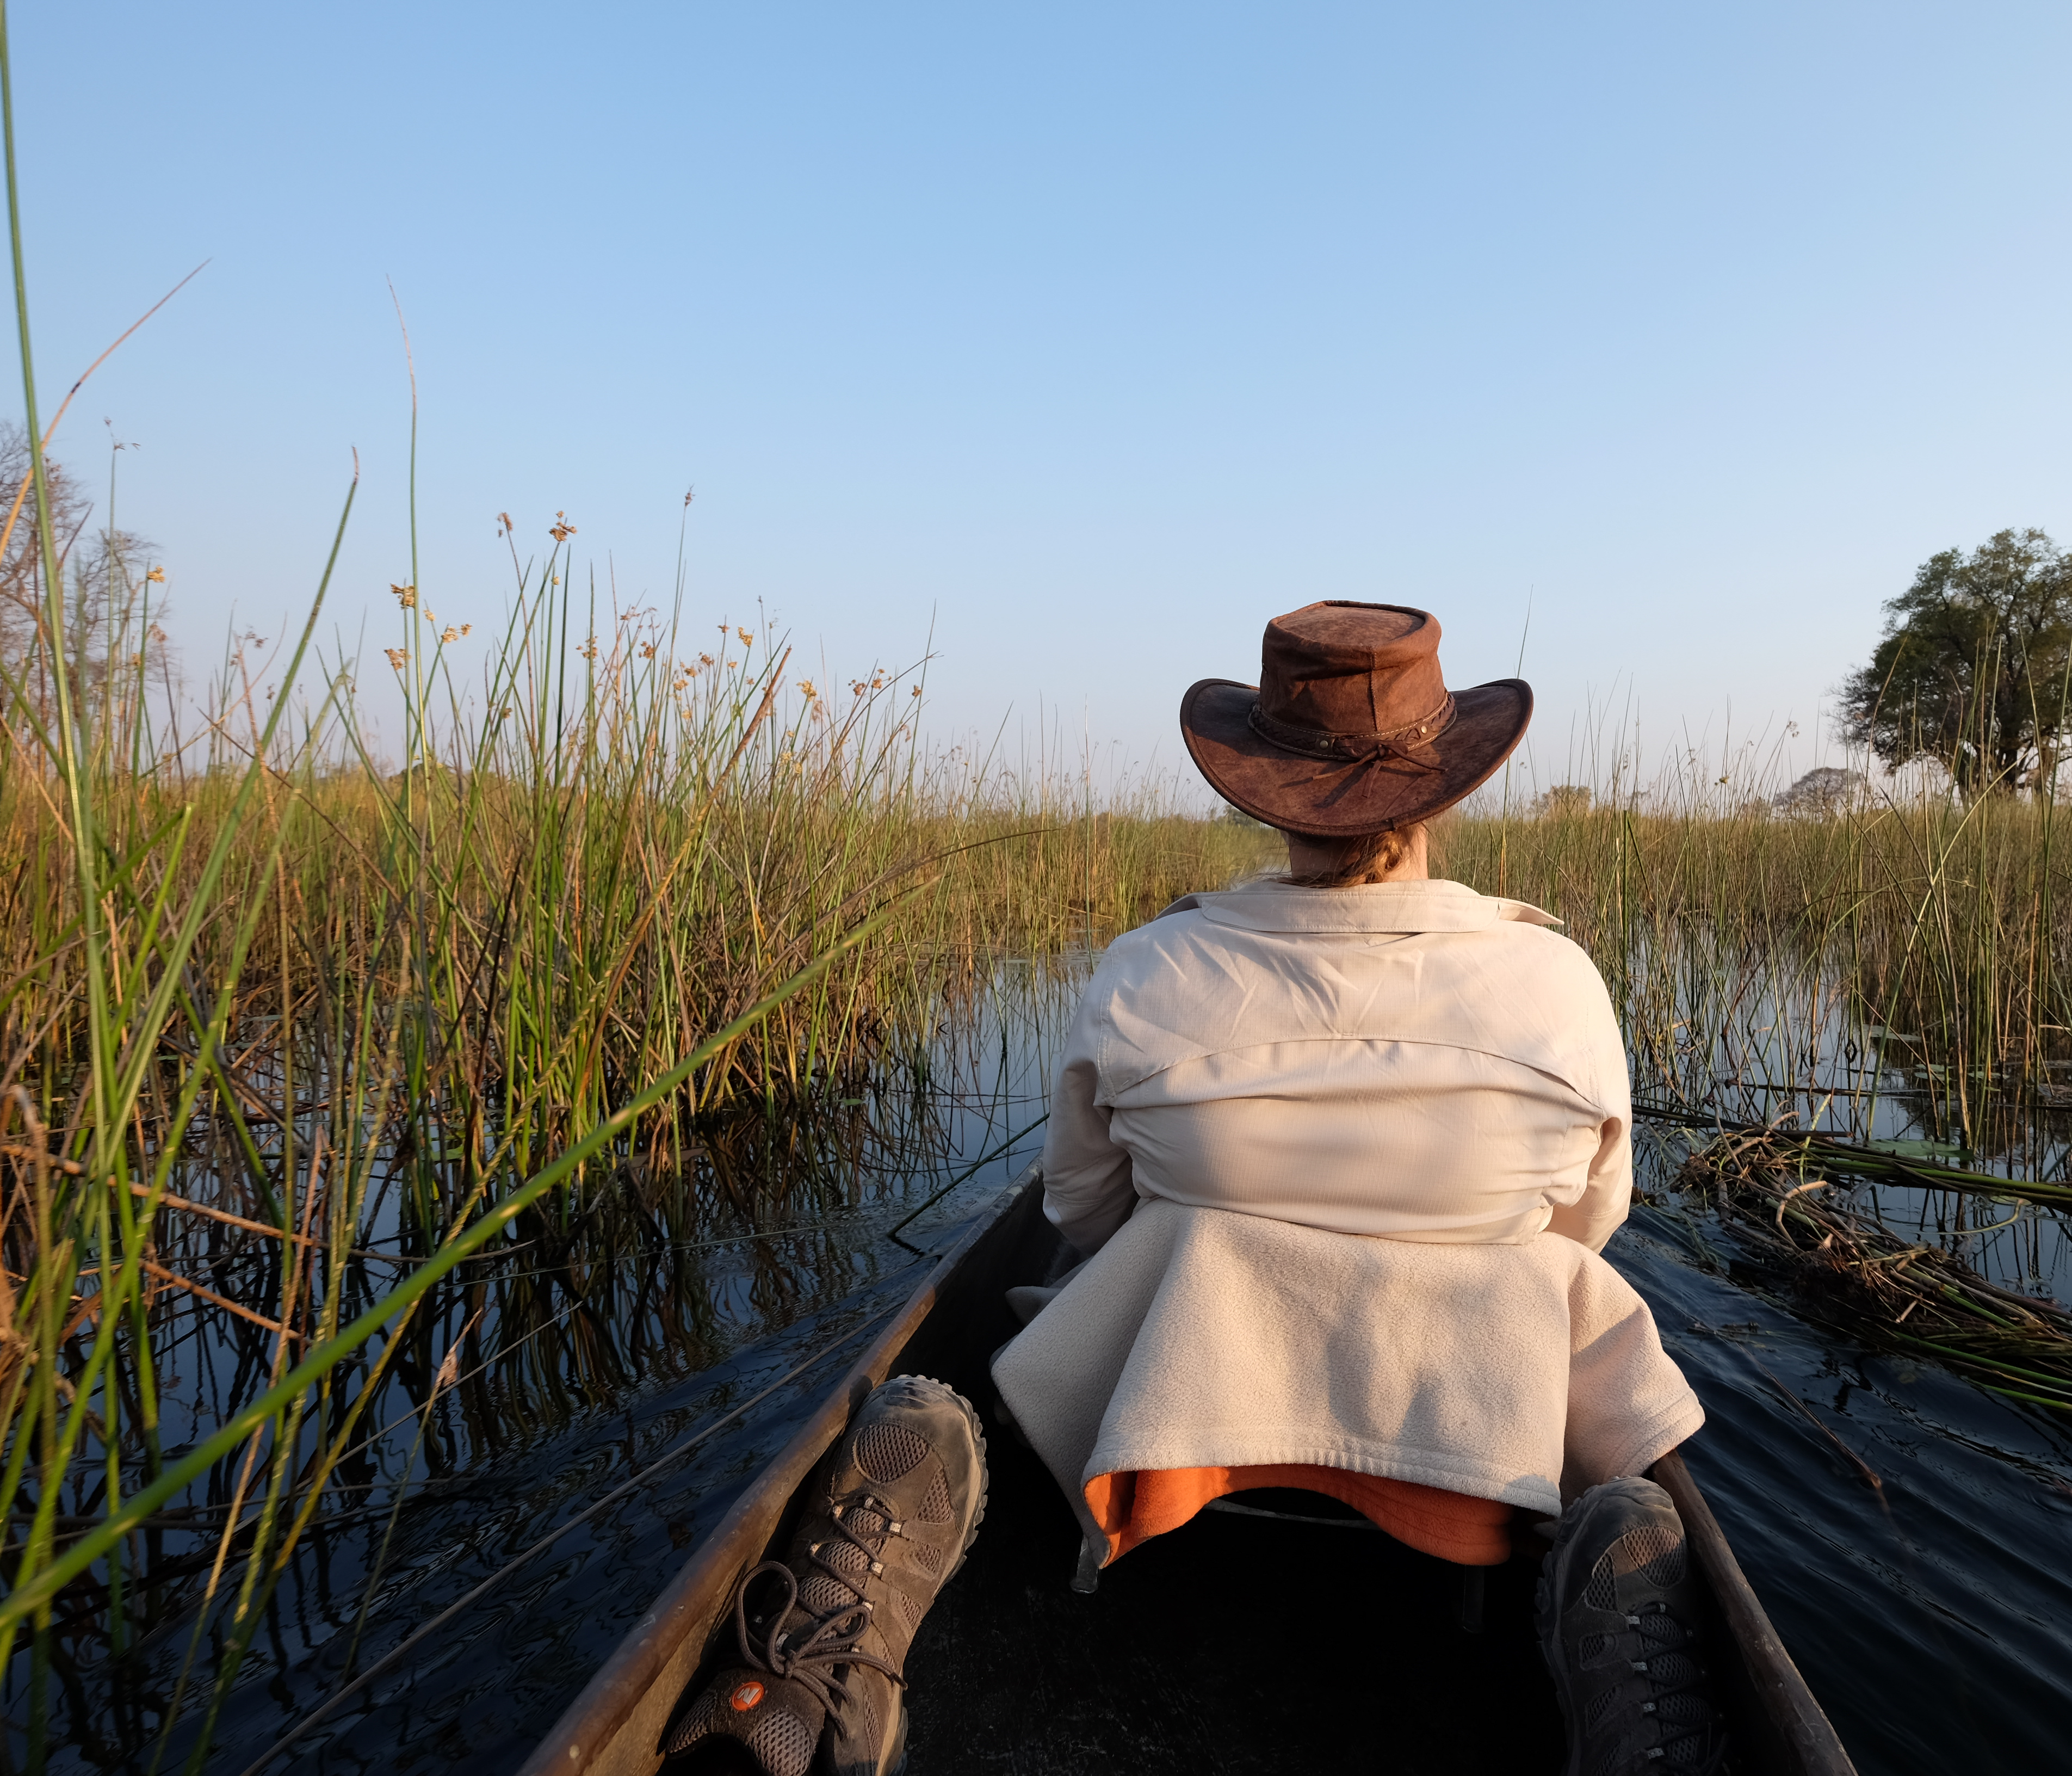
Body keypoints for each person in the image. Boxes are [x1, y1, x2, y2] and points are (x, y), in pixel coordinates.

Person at [670, 601, 1725, 1775]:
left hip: (1171, 1432)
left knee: (1086, 1282)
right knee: (1548, 1288)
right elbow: (1588, 1226)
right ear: (1447, 788)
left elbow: (1077, 1212)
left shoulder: (1149, 970)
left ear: (1257, 788)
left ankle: (815, 1701)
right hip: (1484, 1457)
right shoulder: (1560, 983)